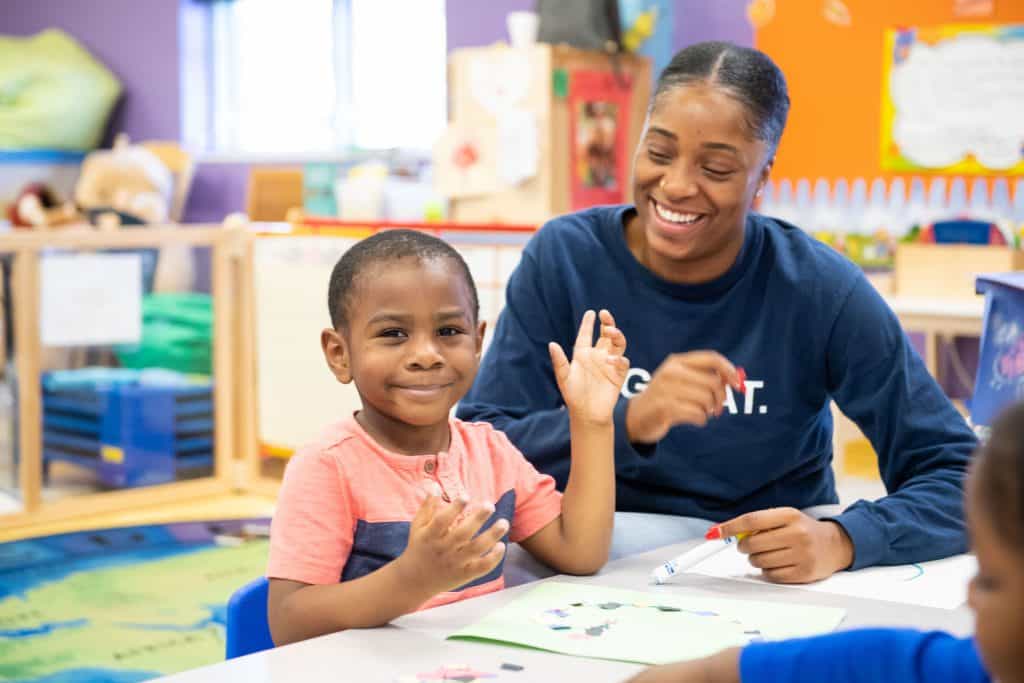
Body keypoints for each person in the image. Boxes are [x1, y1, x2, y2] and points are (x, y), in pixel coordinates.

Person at [457, 41, 976, 582]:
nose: (677, 185)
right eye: (658, 153)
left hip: (767, 560)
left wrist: (844, 538)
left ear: (762, 179)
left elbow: (961, 474)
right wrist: (629, 420)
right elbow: (482, 445)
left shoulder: (820, 287)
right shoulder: (565, 258)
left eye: (718, 168)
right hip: (599, 548)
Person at [265, 230, 630, 646]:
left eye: (449, 331)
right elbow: (289, 622)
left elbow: (579, 551)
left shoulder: (491, 452)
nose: (426, 354)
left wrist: (592, 423)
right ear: (339, 353)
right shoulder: (328, 464)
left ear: (477, 341)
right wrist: (412, 578)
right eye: (393, 334)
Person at [626, 401, 1024, 683]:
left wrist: (846, 538)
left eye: (990, 579)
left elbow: (950, 468)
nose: (969, 596)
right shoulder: (948, 666)